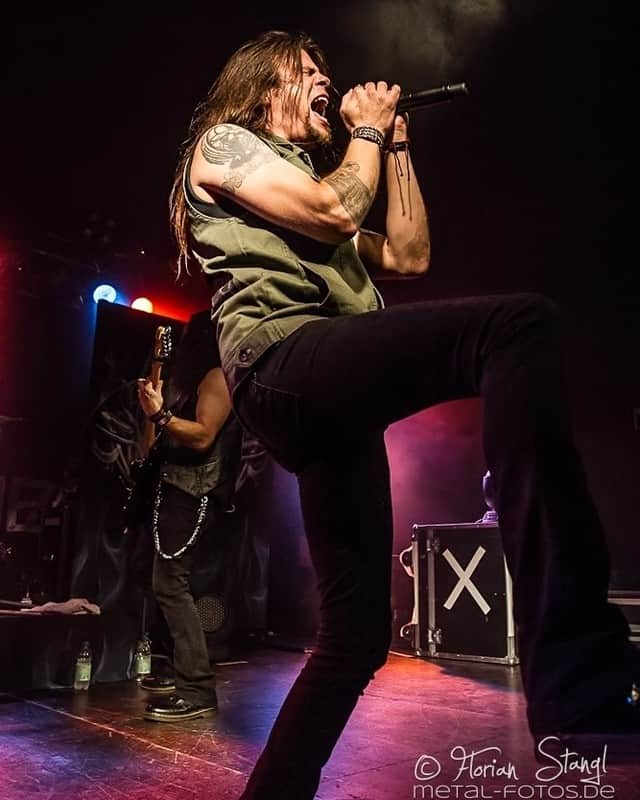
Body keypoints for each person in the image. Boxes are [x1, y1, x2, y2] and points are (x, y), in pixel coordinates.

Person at [169, 30, 638, 797]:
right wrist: (362, 132)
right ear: (262, 87)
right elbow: (330, 210)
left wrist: (395, 145)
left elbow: (411, 254)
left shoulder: (315, 179)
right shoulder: (227, 146)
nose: (328, 79)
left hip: (329, 395)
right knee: (515, 326)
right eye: (309, 70)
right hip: (284, 363)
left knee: (354, 640)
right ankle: (579, 675)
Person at [136, 310, 243, 722]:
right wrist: (153, 411)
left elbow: (202, 437)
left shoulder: (217, 376)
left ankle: (196, 688)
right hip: (171, 488)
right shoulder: (184, 382)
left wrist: (162, 416)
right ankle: (177, 669)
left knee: (171, 585)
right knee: (163, 585)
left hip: (193, 491)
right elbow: (150, 447)